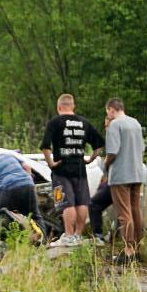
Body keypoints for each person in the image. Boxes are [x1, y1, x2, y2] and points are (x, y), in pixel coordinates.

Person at [40, 94, 103, 249]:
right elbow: (99, 145)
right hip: (80, 169)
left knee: (66, 202)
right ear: (73, 106)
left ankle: (68, 236)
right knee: (82, 202)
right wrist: (90, 159)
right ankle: (78, 235)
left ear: (59, 107)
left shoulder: (55, 122)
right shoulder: (83, 122)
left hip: (60, 169)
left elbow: (45, 146)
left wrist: (51, 163)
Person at [101, 97, 147, 263]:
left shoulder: (115, 124)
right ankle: (138, 248)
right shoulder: (135, 123)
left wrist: (105, 165)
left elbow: (112, 151)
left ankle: (128, 250)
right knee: (136, 210)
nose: (109, 116)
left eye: (108, 112)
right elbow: (142, 148)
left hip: (121, 174)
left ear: (112, 109)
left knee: (124, 213)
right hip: (136, 172)